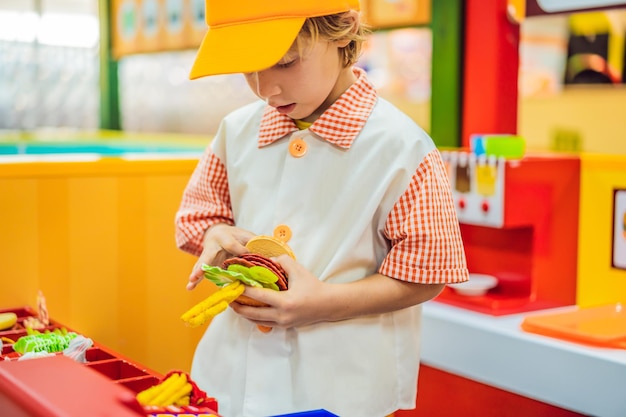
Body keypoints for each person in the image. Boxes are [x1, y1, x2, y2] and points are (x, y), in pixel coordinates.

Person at [174, 1, 469, 416]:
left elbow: (427, 274)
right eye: (248, 68)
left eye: (285, 62)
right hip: (231, 375)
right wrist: (214, 235)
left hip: (339, 388)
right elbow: (197, 219)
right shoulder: (236, 131)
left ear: (344, 31)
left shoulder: (401, 147)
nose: (265, 89)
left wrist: (324, 303)